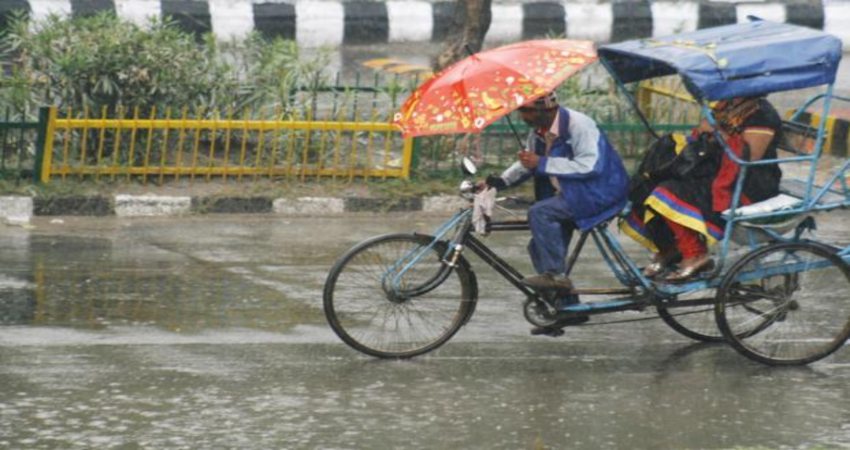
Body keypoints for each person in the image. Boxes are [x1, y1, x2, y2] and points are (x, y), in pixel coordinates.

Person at [484, 91, 629, 322]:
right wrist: (500, 182)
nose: (523, 117)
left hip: (598, 191)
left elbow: (590, 165)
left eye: (528, 111)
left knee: (540, 212)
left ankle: (556, 275)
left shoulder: (579, 125)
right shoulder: (539, 132)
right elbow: (526, 164)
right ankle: (568, 308)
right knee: (538, 247)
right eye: (521, 111)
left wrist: (543, 162)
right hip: (570, 194)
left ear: (548, 109)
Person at [622, 96, 783, 281]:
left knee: (666, 193)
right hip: (716, 169)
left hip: (749, 183)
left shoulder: (762, 115)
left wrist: (718, 133)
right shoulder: (726, 104)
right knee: (645, 188)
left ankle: (696, 254)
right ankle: (669, 248)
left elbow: (749, 158)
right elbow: (701, 134)